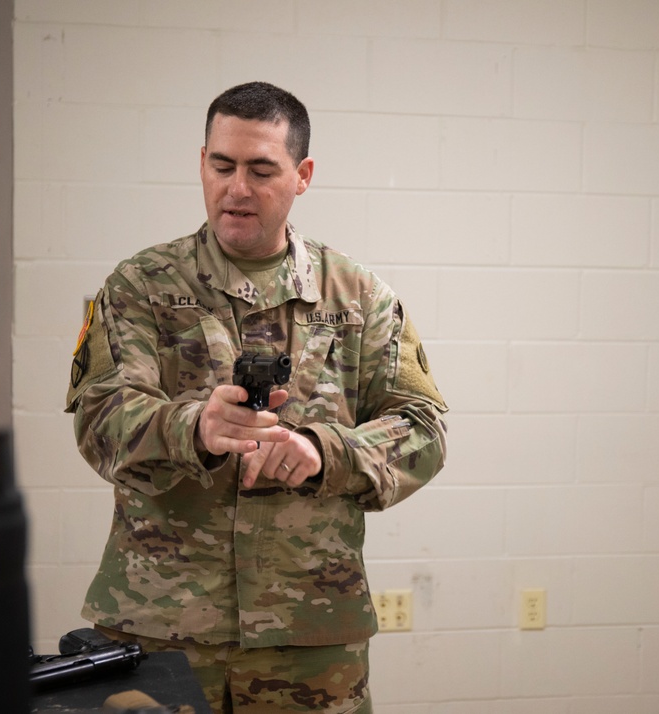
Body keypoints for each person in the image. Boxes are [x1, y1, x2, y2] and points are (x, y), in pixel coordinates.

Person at [65, 81, 448, 713]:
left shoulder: (358, 297)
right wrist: (194, 430)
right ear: (202, 163)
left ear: (302, 175)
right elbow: (100, 419)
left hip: (312, 633)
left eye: (261, 169)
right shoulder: (140, 286)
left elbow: (424, 430)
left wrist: (326, 452)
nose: (236, 187)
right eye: (222, 165)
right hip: (159, 626)